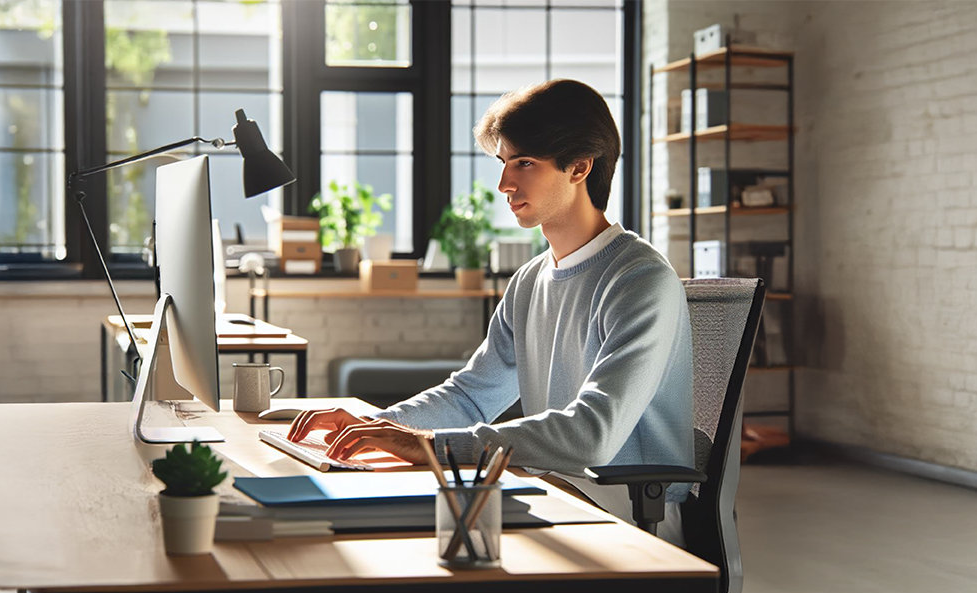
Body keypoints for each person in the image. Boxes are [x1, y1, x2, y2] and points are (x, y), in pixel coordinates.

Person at [289, 79, 694, 545]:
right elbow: (470, 397)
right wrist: (380, 427)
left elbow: (592, 435)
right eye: (504, 164)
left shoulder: (640, 280)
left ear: (580, 167)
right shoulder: (529, 281)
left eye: (523, 163)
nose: (504, 184)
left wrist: (432, 449)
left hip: (626, 514)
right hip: (549, 488)